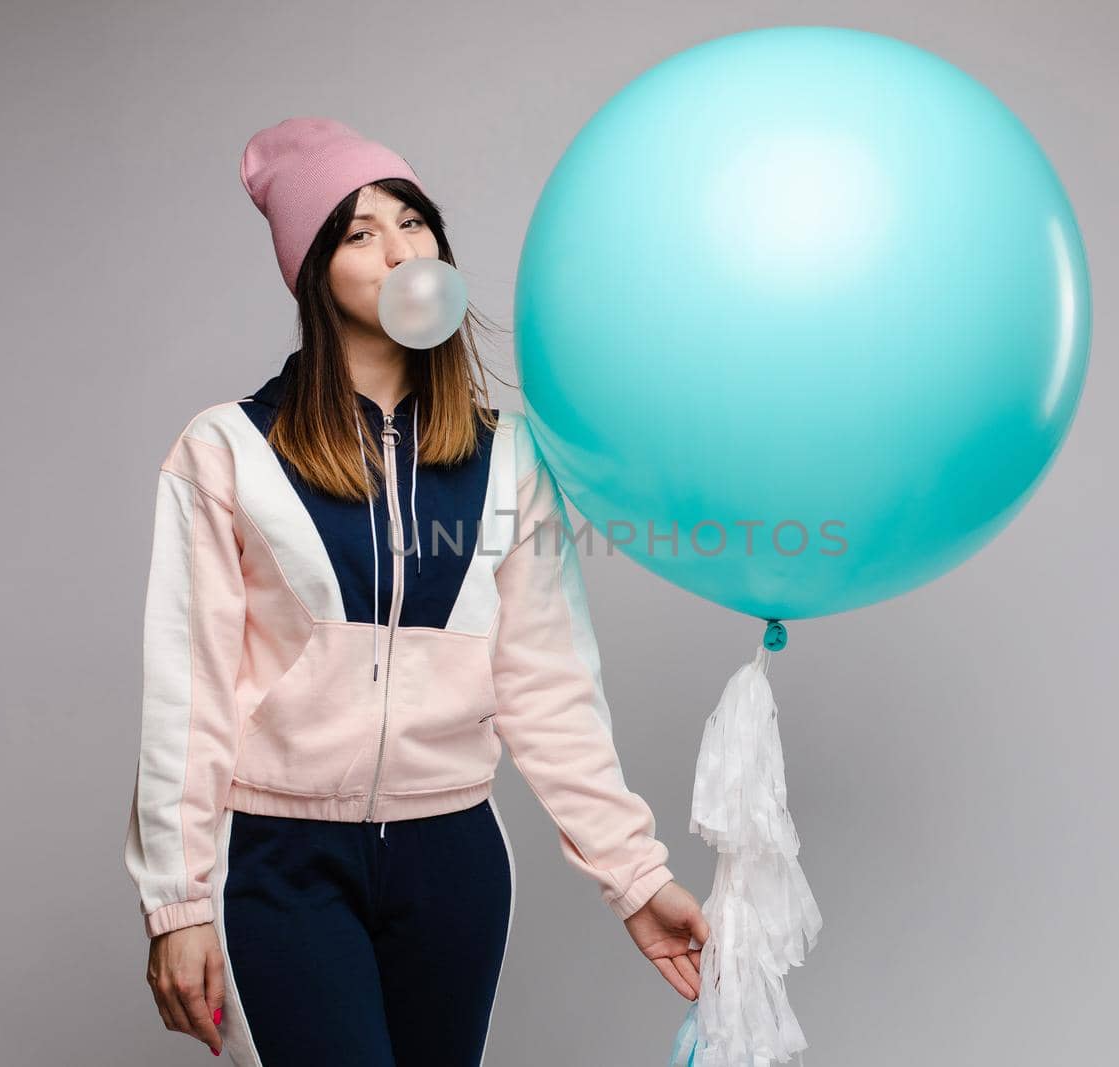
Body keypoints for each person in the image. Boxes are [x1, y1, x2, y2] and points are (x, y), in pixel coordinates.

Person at [122, 117, 709, 1064]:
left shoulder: (509, 456)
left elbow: (549, 685)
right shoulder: (225, 451)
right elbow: (185, 696)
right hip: (285, 859)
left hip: (453, 859)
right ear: (314, 270)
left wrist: (636, 879)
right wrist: (177, 903)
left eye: (412, 223)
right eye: (358, 233)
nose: (399, 252)